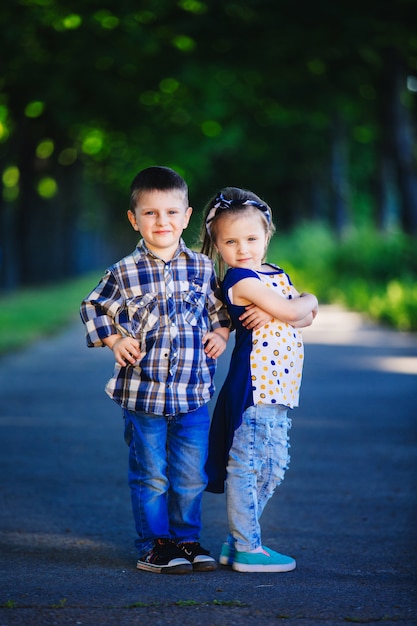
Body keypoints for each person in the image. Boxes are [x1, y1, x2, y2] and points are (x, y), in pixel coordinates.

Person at [80, 166, 231, 575]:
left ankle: (187, 539)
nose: (161, 221)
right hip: (142, 395)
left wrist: (220, 333)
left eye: (170, 212)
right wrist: (114, 340)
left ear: (186, 216)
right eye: (150, 213)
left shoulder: (201, 267)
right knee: (152, 475)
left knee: (189, 474)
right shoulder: (123, 272)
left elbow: (219, 311)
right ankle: (155, 544)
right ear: (134, 219)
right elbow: (92, 307)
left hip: (192, 393)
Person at [200, 187, 318, 573]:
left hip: (280, 390)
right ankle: (247, 545)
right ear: (217, 246)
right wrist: (300, 303)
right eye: (230, 241)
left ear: (267, 235)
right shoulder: (240, 278)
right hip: (256, 387)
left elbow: (306, 316)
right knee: (249, 466)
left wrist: (300, 305)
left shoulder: (274, 274)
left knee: (273, 466)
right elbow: (296, 308)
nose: (243, 248)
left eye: (251, 238)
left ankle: (239, 540)